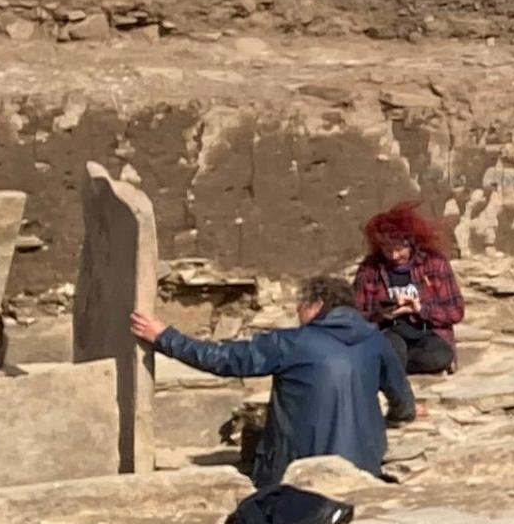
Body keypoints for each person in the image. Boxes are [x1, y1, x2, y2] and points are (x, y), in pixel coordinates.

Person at [131, 274, 415, 486]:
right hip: (365, 467)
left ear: (316, 305)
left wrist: (165, 337)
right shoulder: (377, 341)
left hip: (299, 473)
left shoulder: (292, 342)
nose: (297, 314)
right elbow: (404, 406)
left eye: (300, 306)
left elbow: (224, 359)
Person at [350, 200, 464, 378]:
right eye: (388, 250)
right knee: (392, 348)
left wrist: (420, 309)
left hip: (427, 331)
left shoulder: (434, 263)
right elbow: (353, 316)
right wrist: (382, 314)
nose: (394, 256)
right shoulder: (370, 270)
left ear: (410, 243)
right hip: (389, 330)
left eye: (399, 249)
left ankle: (391, 367)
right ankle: (390, 365)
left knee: (440, 356)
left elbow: (455, 312)